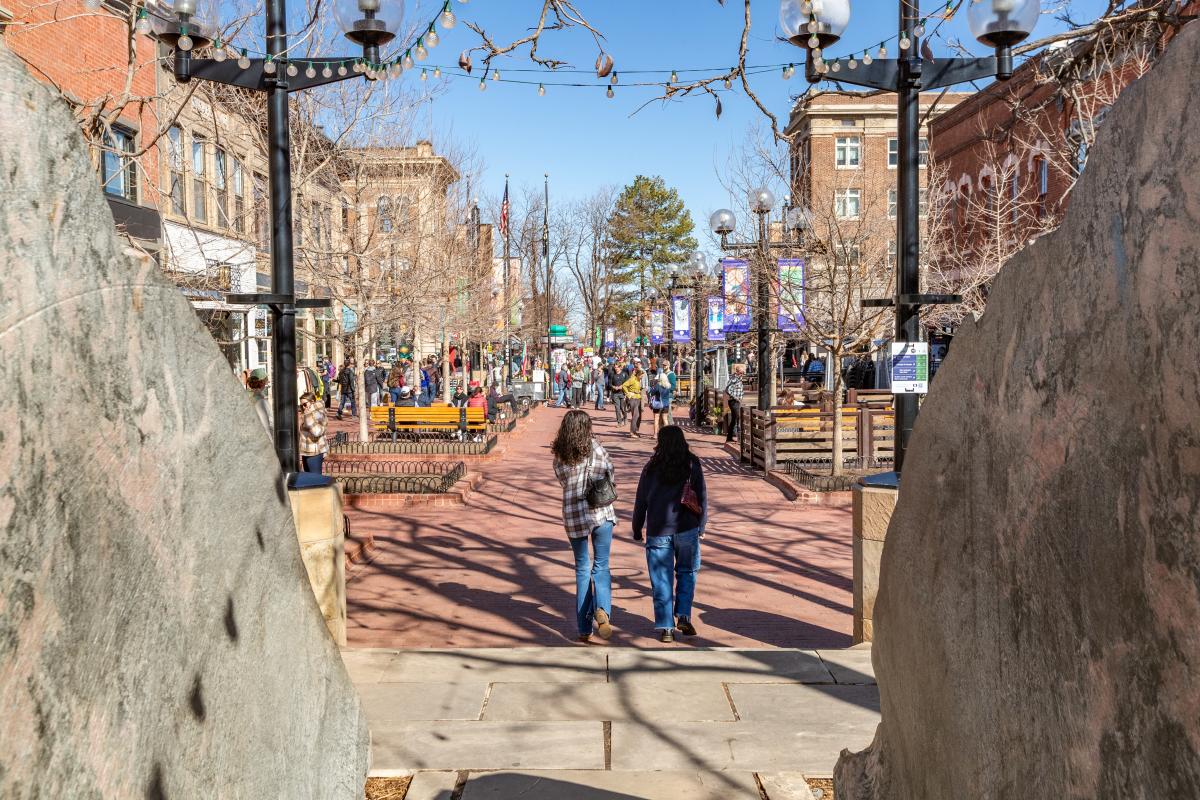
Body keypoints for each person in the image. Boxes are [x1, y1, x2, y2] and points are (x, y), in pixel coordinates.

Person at [632, 425, 707, 643]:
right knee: (687, 572)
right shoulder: (692, 464)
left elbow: (641, 501)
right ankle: (683, 614)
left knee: (661, 579)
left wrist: (637, 529)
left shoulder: (651, 467)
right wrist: (701, 525)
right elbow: (701, 497)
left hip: (658, 530)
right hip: (687, 528)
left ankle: (666, 627)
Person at [552, 410, 617, 643]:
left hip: (573, 514)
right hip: (599, 512)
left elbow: (561, 479)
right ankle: (602, 610)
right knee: (601, 565)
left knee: (582, 568)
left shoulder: (560, 453)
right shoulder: (595, 448)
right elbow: (609, 472)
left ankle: (583, 627)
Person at [298, 391, 328, 474]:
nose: (303, 407)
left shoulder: (319, 414)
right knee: (309, 480)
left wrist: (308, 417)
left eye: (305, 404)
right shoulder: (308, 413)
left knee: (316, 480)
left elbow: (317, 432)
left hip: (315, 452)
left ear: (312, 402)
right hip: (306, 451)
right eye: (301, 405)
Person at [621, 367, 645, 438]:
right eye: (641, 375)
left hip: (638, 399)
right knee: (635, 416)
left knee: (639, 416)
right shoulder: (632, 379)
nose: (642, 377)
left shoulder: (638, 380)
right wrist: (628, 394)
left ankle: (635, 430)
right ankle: (632, 432)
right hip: (633, 399)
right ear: (638, 375)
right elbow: (624, 385)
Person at [724, 364, 745, 443]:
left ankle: (729, 438)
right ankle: (739, 439)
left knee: (734, 419)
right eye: (741, 373)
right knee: (738, 418)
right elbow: (727, 390)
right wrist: (736, 398)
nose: (742, 374)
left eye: (743, 373)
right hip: (734, 401)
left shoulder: (738, 378)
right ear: (737, 372)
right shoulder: (734, 379)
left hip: (736, 401)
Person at [247, 367, 271, 435]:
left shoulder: (245, 394)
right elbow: (266, 427)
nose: (266, 384)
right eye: (265, 381)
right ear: (262, 383)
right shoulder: (260, 400)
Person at [650, 370, 673, 435]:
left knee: (656, 419)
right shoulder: (668, 386)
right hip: (666, 404)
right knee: (665, 419)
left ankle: (655, 434)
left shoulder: (657, 386)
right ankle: (667, 434)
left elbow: (652, 392)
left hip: (658, 403)